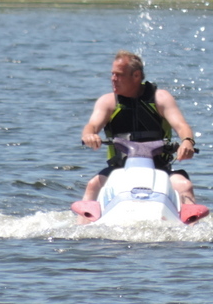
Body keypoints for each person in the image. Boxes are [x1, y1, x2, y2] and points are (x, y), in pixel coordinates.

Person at [76, 50, 201, 219]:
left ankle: (192, 229)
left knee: (185, 186)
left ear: (136, 75)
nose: (113, 79)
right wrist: (89, 136)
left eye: (119, 75)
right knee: (92, 186)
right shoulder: (108, 102)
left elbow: (181, 125)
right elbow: (91, 126)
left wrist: (187, 141)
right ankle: (82, 229)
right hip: (119, 169)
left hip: (159, 169)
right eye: (112, 74)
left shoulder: (160, 98)